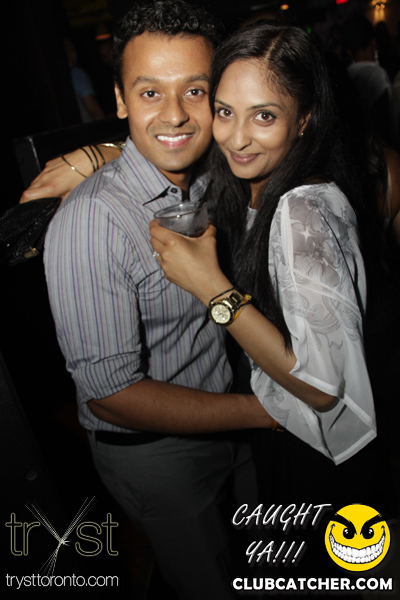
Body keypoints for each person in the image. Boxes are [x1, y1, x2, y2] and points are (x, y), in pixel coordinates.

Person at [43, 3, 270, 599]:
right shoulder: (93, 223)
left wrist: (100, 150)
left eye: (195, 90)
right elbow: (111, 395)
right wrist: (266, 412)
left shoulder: (212, 173)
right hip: (159, 456)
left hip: (228, 418)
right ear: (120, 100)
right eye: (150, 92)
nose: (174, 113)